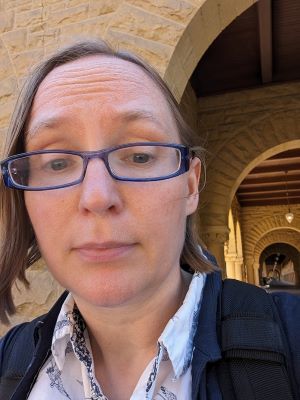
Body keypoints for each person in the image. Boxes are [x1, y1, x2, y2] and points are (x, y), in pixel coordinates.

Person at [0, 39, 299, 400]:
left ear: (190, 185)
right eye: (58, 163)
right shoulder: (9, 365)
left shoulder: (290, 340)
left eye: (139, 156)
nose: (97, 197)